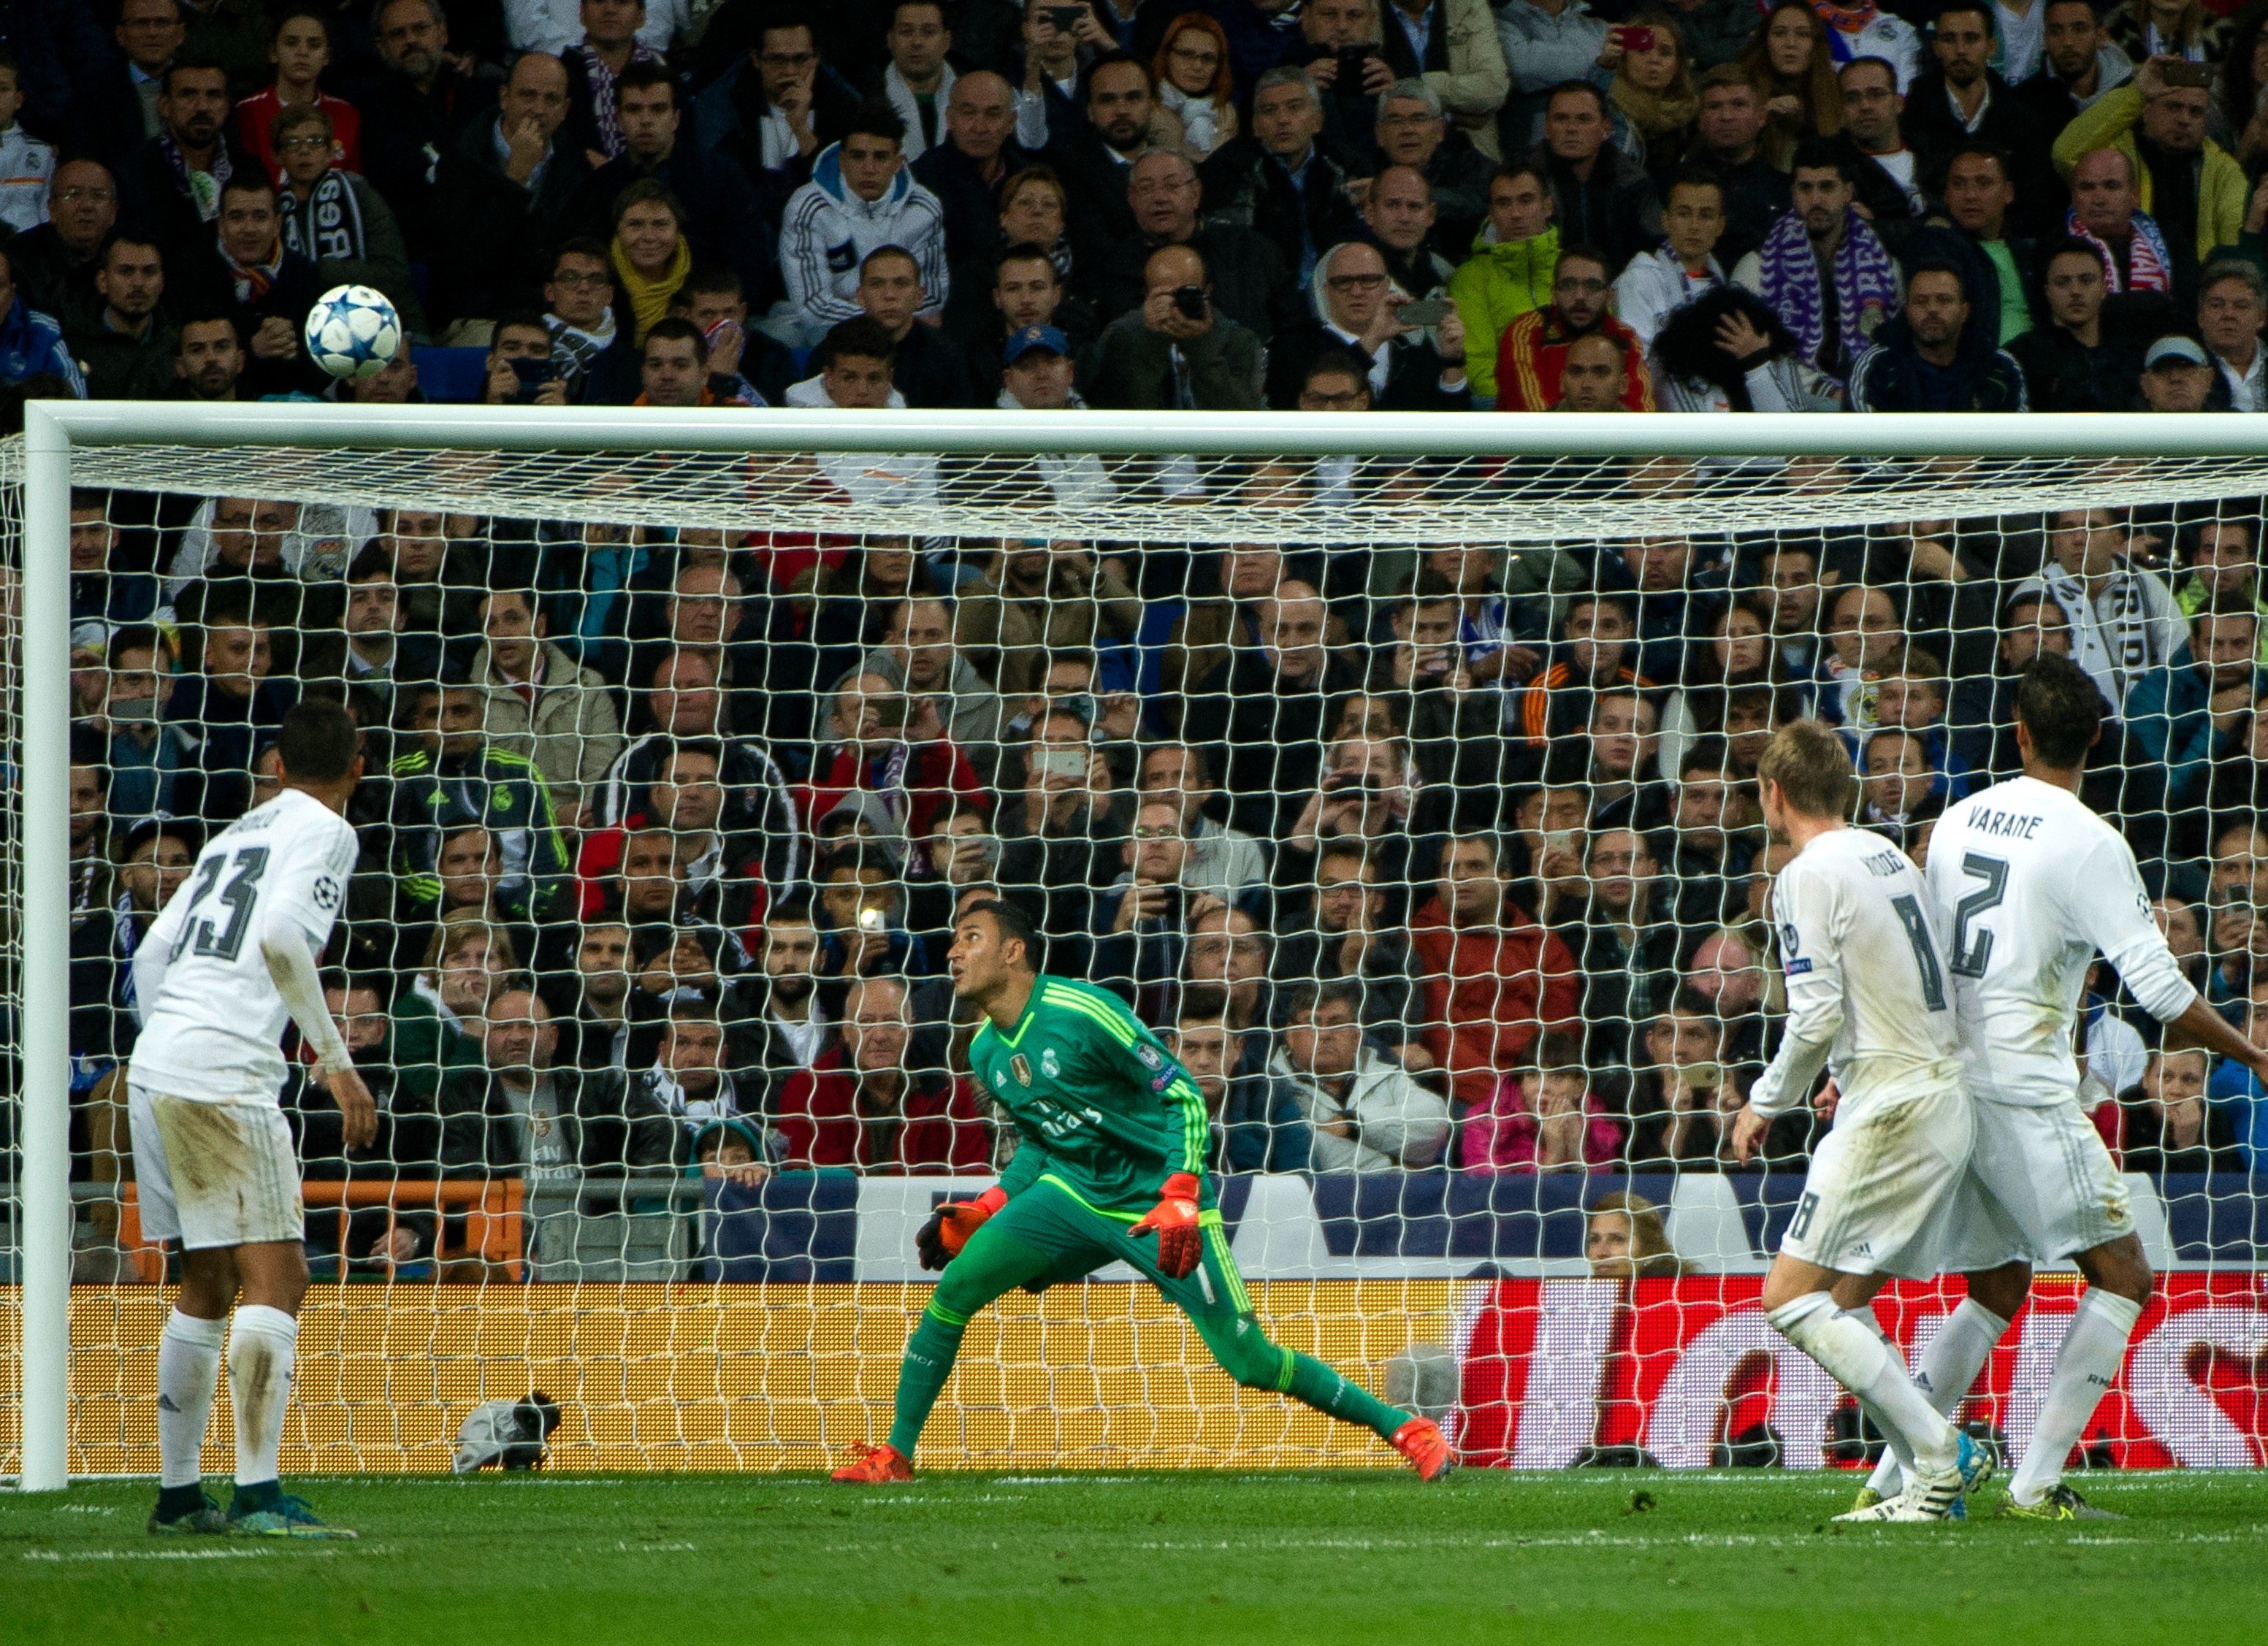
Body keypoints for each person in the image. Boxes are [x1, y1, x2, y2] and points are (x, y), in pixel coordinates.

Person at [831, 898, 1456, 1482]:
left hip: (1161, 1201)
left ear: (1014, 951)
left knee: (1251, 1363)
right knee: (956, 1289)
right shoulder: (986, 1050)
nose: (953, 953)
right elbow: (1042, 1142)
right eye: (953, 942)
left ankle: (1405, 1428)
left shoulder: (1083, 1011)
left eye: (971, 938)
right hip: (1071, 1196)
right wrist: (991, 1204)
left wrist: (1182, 1190)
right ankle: (896, 1454)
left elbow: (1182, 1093)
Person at [1849, 654, 2268, 1519]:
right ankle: (2034, 1485)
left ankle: (1899, 1475)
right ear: (2100, 739)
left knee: (1999, 1283)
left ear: (2019, 733)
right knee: (2123, 1275)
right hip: (2026, 1088)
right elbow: (2160, 993)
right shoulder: (2091, 841)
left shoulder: (1959, 818)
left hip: (1947, 1078)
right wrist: (2258, 1056)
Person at [1725, 719, 1985, 1523]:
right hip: (1931, 1090)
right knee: (1840, 1293)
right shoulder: (1886, 856)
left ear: (1773, 793)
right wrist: (1845, 1072)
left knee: (1790, 1295)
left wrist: (1763, 1100)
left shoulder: (1804, 875)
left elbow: (1812, 1015)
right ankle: (1918, 1473)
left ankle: (1942, 1458)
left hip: (1897, 1106)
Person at [125, 700, 367, 1539]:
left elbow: (152, 953)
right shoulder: (331, 832)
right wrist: (338, 1068)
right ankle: (260, 1496)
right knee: (279, 1278)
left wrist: (170, 1044)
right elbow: (280, 937)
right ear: (357, 767)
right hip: (224, 1073)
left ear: (273, 764)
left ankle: (180, 1496)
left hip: (155, 1066)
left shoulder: (234, 835)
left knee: (205, 1280)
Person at [776, 102, 949, 345]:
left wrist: (893, 321)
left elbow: (931, 296)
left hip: (905, 330)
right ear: (842, 160)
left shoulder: (923, 207)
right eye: (858, 157)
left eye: (880, 157)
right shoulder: (807, 207)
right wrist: (887, 319)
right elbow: (812, 306)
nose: (869, 169)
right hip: (831, 331)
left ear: (898, 162)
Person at [1737, 139, 1901, 386]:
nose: (1815, 200)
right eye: (1805, 188)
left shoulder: (1883, 264)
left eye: (1826, 188)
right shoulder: (1757, 267)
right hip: (1790, 400)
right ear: (1792, 193)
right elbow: (1752, 355)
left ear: (1847, 192)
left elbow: (1897, 341)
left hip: (1870, 391)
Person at [1264, 238, 1470, 409]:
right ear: (1327, 290)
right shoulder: (1293, 347)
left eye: (1368, 280)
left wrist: (1453, 361)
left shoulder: (1412, 353)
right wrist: (1372, 340)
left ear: (1387, 286)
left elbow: (1450, 445)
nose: (1356, 292)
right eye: (1343, 282)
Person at [1087, 242, 1264, 410]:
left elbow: (1241, 417)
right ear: (1146, 295)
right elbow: (1132, 416)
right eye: (1165, 294)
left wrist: (1201, 349)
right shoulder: (1122, 337)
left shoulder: (1238, 340)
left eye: (1187, 293)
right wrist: (1152, 340)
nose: (1176, 304)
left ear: (1207, 293)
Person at [1847, 261, 2029, 410]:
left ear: (1964, 312)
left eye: (1944, 300)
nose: (1932, 309)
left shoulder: (2001, 368)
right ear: (1907, 312)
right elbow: (1860, 447)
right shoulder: (1876, 367)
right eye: (1921, 301)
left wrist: (1971, 455)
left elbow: (2022, 443)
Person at [1447, 160, 1558, 405]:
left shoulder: (1572, 269)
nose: (1515, 214)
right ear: (1492, 213)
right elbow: (1481, 373)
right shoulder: (1470, 279)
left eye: (1526, 200)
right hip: (1509, 411)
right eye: (1504, 203)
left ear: (1547, 206)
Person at [1494, 245, 1652, 410]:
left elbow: (1641, 413)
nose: (1580, 296)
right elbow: (1538, 419)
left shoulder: (1625, 337)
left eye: (1592, 285)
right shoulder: (1526, 333)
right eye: (1568, 285)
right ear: (1554, 294)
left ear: (1609, 296)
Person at [2007, 237, 2146, 411]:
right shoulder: (2020, 357)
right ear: (2047, 292)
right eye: (2062, 282)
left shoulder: (2131, 358)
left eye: (2086, 280)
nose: (2075, 291)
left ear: (2104, 288)